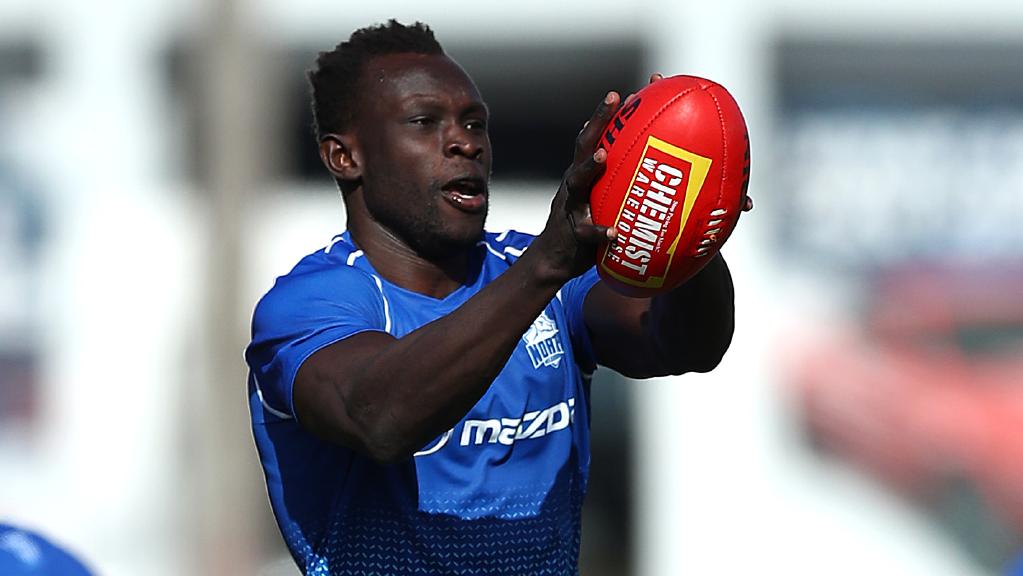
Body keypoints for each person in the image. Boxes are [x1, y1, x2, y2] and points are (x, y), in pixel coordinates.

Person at [245, 20, 748, 575]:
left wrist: (689, 233)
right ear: (346, 157)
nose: (464, 141)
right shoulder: (307, 306)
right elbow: (380, 419)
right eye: (424, 122)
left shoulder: (545, 276)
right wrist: (546, 264)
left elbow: (682, 344)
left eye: (474, 122)